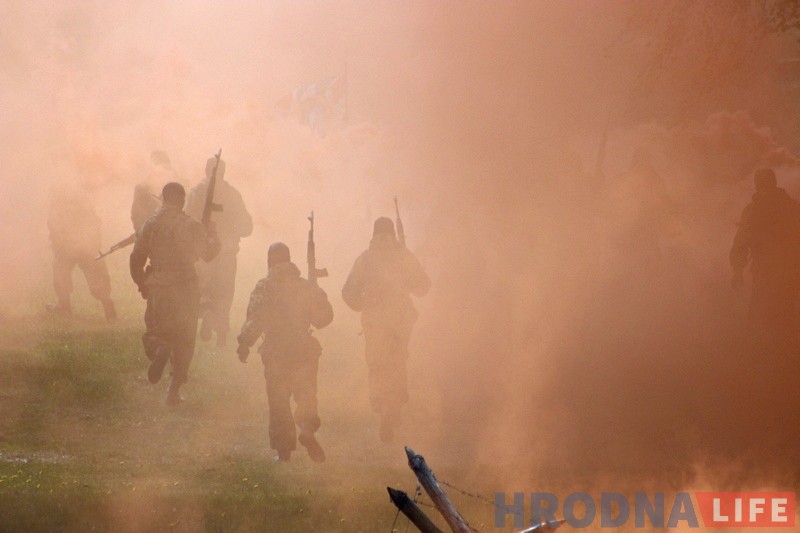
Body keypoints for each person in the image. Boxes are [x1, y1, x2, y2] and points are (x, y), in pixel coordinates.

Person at [236, 243, 333, 462]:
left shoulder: (264, 287)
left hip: (276, 352)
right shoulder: (305, 286)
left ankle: (284, 451)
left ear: (270, 262)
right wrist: (317, 294)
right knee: (306, 394)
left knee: (279, 401)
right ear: (289, 261)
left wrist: (244, 344)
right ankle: (307, 430)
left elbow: (255, 319)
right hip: (304, 350)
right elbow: (324, 318)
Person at [129, 182, 220, 405]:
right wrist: (213, 234)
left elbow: (136, 259)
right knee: (185, 339)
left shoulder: (149, 225)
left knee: (154, 331)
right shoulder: (191, 225)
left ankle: (160, 348)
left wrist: (142, 284)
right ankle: (173, 392)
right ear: (181, 200)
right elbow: (208, 254)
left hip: (159, 287)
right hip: (186, 288)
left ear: (163, 198)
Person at [342, 217, 431, 442]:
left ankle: (382, 406)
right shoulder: (404, 256)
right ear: (393, 233)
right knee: (398, 358)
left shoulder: (365, 259)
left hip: (374, 318)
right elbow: (423, 287)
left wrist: (363, 305)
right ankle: (395, 405)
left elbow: (348, 293)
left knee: (377, 361)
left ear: (373, 234)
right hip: (401, 317)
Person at [186, 156, 253, 347]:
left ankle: (207, 313)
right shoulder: (232, 194)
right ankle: (221, 335)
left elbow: (186, 219)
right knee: (224, 292)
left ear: (206, 170)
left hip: (202, 253)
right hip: (226, 253)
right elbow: (247, 226)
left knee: (202, 290)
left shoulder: (196, 192)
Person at [730, 168, 800, 333]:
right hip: (774, 275)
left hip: (780, 275)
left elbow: (741, 243)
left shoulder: (756, 210)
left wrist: (738, 271)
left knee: (771, 324)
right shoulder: (791, 208)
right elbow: (741, 243)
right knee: (775, 323)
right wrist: (738, 270)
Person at [46, 185, 117, 321]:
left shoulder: (60, 205)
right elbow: (95, 224)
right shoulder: (84, 204)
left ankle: (64, 306)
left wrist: (58, 244)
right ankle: (106, 303)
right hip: (87, 245)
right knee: (95, 276)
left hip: (68, 246)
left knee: (61, 274)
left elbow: (54, 226)